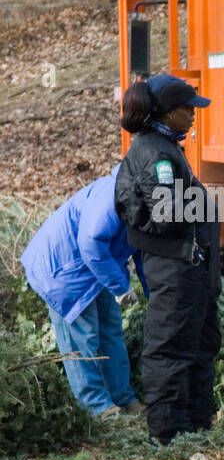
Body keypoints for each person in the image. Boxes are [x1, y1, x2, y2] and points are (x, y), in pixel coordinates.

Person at [114, 74, 221, 444]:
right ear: (167, 112)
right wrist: (203, 204)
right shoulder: (155, 154)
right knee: (169, 350)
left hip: (192, 271)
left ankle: (197, 428)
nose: (193, 114)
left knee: (201, 346)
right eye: (187, 109)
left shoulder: (167, 147)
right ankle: (168, 435)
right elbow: (166, 214)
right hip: (174, 271)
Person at [20, 166, 148, 417]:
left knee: (111, 331)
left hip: (97, 268)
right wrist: (120, 288)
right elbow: (90, 243)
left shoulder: (146, 200)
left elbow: (145, 253)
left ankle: (123, 399)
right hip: (63, 270)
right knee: (83, 337)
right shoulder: (110, 198)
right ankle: (98, 407)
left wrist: (157, 297)